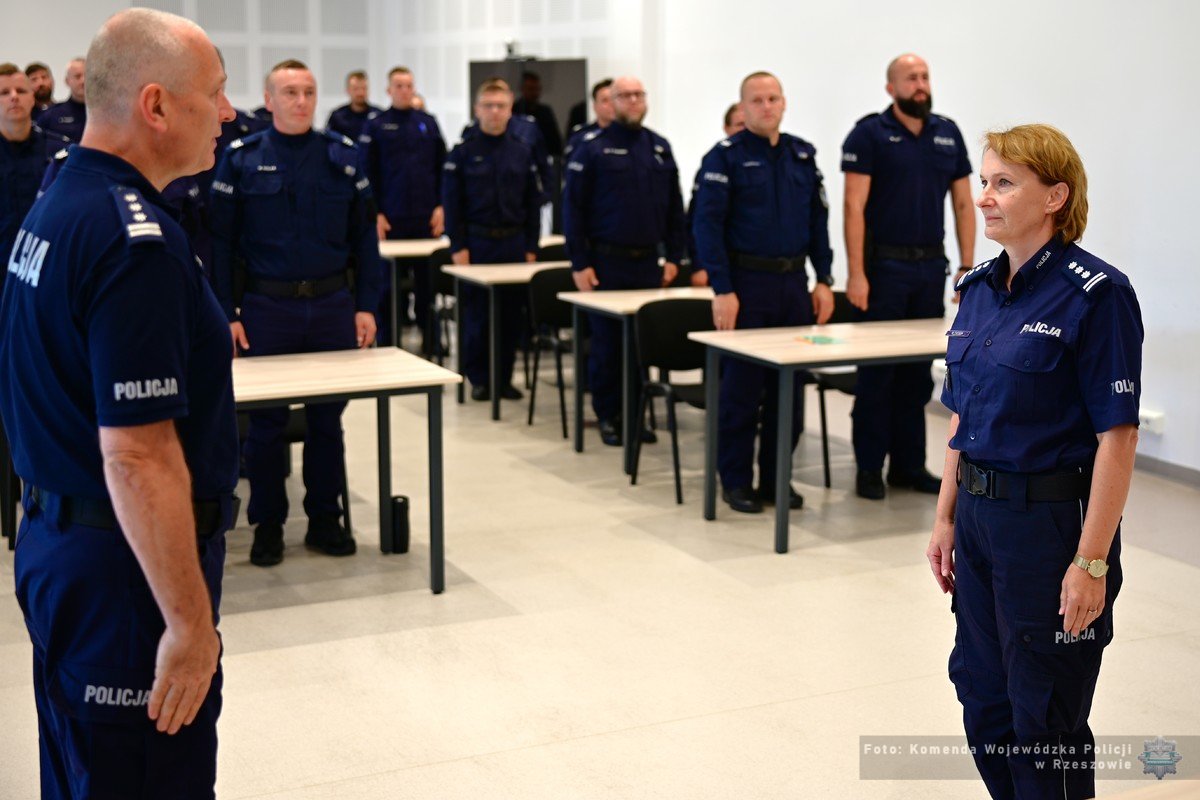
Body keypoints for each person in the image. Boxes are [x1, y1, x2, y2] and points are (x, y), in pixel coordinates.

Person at [0, 9, 238, 797]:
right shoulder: (136, 245)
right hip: (125, 579)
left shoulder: (62, 200)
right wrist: (189, 625)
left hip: (60, 544)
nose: (228, 112)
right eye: (215, 91)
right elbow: (137, 454)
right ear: (156, 105)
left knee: (82, 775)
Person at [926, 124, 1142, 800]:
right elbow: (962, 416)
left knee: (1044, 717)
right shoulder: (978, 289)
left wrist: (1091, 562)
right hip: (979, 520)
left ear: (1055, 196)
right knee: (982, 697)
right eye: (984, 181)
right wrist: (945, 518)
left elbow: (1117, 438)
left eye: (1004, 183)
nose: (983, 197)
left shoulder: (1097, 294)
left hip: (1048, 528)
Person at [209, 59, 381, 567]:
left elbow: (365, 239)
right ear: (269, 99)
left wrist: (367, 305)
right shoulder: (242, 159)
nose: (301, 101)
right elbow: (221, 244)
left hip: (331, 307)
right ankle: (268, 524)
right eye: (289, 92)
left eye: (308, 91)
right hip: (267, 309)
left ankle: (326, 518)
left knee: (328, 423)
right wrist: (227, 312)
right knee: (266, 427)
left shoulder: (342, 156)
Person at [692, 71, 834, 514]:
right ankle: (735, 481)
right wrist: (722, 288)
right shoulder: (724, 158)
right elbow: (707, 227)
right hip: (746, 286)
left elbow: (818, 222)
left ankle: (776, 479)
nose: (766, 106)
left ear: (784, 103)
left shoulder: (801, 155)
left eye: (773, 98)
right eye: (757, 100)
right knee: (741, 391)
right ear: (743, 107)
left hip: (793, 286)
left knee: (787, 392)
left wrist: (824, 278)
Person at [842, 53, 976, 501]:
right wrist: (856, 274)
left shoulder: (947, 132)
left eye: (924, 77)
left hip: (930, 267)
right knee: (877, 375)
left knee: (917, 376)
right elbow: (853, 207)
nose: (920, 84)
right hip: (883, 269)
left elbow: (963, 203)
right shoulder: (869, 133)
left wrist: (967, 265)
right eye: (910, 78)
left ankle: (907, 466)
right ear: (891, 88)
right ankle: (868, 468)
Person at [562, 75, 685, 447]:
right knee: (608, 345)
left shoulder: (659, 147)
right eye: (624, 96)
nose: (633, 101)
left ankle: (635, 413)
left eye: (638, 95)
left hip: (647, 263)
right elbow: (573, 210)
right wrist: (579, 263)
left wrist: (674, 256)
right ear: (611, 103)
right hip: (605, 262)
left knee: (639, 345)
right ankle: (608, 415)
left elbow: (674, 209)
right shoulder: (592, 149)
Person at [443, 78, 542, 402]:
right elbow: (452, 205)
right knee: (478, 316)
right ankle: (480, 378)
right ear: (477, 109)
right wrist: (458, 246)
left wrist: (532, 246)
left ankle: (504, 378)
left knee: (511, 316)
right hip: (478, 243)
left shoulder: (522, 151)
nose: (495, 112)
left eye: (501, 106)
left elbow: (532, 204)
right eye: (488, 106)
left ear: (510, 109)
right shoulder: (463, 152)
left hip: (513, 244)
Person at [360, 66, 446, 350]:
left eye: (409, 85)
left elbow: (442, 168)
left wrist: (441, 207)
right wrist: (375, 213)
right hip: (390, 219)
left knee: (426, 288)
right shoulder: (377, 125)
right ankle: (388, 343)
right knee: (387, 290)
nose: (405, 91)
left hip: (425, 219)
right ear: (389, 90)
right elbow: (367, 173)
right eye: (399, 86)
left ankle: (431, 343)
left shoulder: (427, 123)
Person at [1, 63, 70, 285]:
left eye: (21, 91)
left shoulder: (60, 152)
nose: (14, 97)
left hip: (48, 271)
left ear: (32, 98)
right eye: (4, 92)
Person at [686, 101, 745, 288]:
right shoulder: (716, 162)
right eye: (739, 125)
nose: (744, 131)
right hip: (720, 263)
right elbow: (700, 220)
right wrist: (699, 265)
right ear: (726, 128)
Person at [514, 71, 563, 156]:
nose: (534, 93)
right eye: (530, 89)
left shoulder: (545, 111)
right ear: (522, 89)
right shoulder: (513, 110)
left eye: (537, 89)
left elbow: (555, 140)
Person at [38, 57, 87, 142]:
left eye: (87, 76)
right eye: (77, 76)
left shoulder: (106, 115)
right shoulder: (50, 116)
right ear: (67, 81)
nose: (83, 81)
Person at [563, 78, 614, 158]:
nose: (611, 104)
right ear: (595, 106)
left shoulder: (629, 134)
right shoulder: (581, 135)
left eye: (614, 99)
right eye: (605, 100)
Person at [326, 69, 381, 142]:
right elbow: (328, 141)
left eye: (364, 88)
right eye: (356, 89)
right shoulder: (337, 117)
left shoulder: (379, 115)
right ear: (348, 90)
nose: (360, 93)